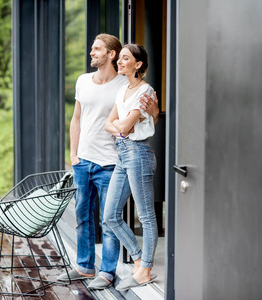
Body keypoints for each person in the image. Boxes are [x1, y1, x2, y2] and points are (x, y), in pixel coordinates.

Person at [57, 34, 159, 290]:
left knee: (122, 218)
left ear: (111, 55)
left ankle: (114, 271)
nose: (91, 52)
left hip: (117, 159)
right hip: (90, 158)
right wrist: (73, 155)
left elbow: (135, 122)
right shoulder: (98, 84)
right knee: (90, 216)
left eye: (97, 48)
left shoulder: (130, 87)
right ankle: (88, 265)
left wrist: (136, 121)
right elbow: (84, 120)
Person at [104, 44, 158, 291]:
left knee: (145, 215)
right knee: (110, 215)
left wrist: (122, 127)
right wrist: (121, 127)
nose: (119, 61)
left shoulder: (145, 90)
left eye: (125, 58)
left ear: (138, 65)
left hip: (139, 153)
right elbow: (110, 124)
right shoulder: (123, 90)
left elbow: (123, 127)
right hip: (123, 154)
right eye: (120, 58)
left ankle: (145, 270)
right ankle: (138, 259)